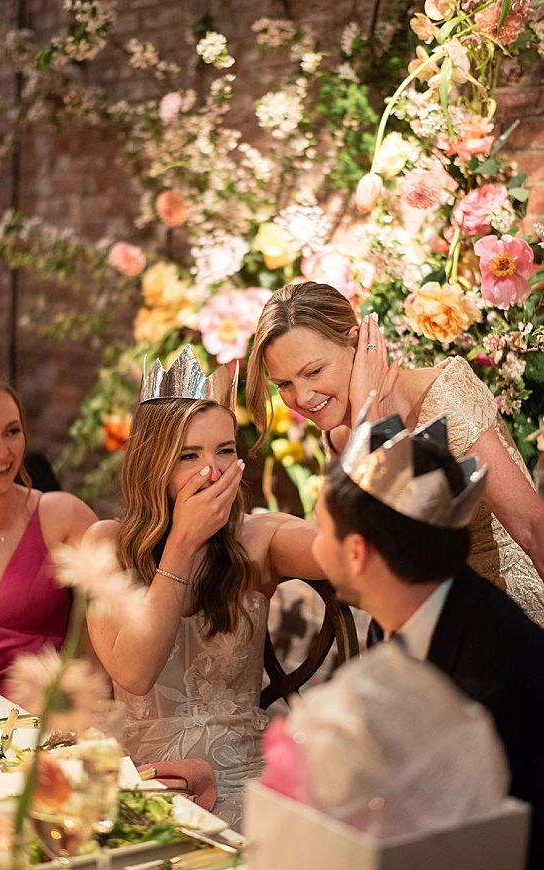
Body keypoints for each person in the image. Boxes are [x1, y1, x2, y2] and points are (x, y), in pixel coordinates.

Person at [83, 346, 325, 829]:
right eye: (188, 455)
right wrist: (182, 544)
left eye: (225, 451)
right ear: (154, 464)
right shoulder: (107, 545)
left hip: (248, 773)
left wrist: (348, 433)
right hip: (152, 782)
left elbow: (341, 551)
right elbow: (135, 673)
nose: (210, 472)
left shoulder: (259, 539)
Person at [310, 413, 544, 868]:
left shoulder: (494, 681)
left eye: (320, 531)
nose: (315, 545)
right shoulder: (398, 616)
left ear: (357, 554)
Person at [246, 280, 544, 626]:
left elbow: (533, 527)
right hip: (412, 621)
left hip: (503, 612)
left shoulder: (439, 397)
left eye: (314, 371)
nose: (302, 397)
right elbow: (366, 552)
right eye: (283, 384)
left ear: (357, 342)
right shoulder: (338, 428)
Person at [0, 370, 98, 697]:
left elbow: (102, 655)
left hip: (52, 731)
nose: (2, 452)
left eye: (12, 432)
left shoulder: (65, 517)